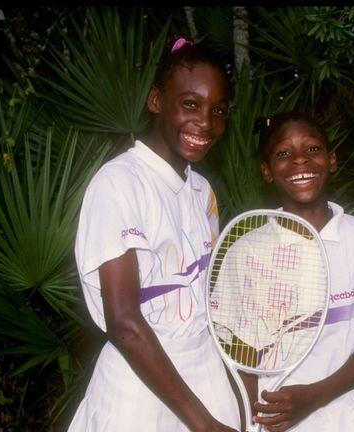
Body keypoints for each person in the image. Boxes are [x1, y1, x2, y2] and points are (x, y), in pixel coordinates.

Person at [68, 36, 241, 432]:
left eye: (219, 110)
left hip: (206, 375)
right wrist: (206, 424)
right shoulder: (118, 183)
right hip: (139, 388)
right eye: (191, 105)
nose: (206, 123)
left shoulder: (202, 191)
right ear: (156, 101)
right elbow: (125, 323)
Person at [246, 111, 354, 432]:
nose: (300, 161)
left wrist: (314, 397)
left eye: (312, 149)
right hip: (276, 422)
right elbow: (240, 354)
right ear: (266, 171)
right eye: (283, 154)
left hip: (353, 419)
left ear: (332, 159)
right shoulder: (248, 250)